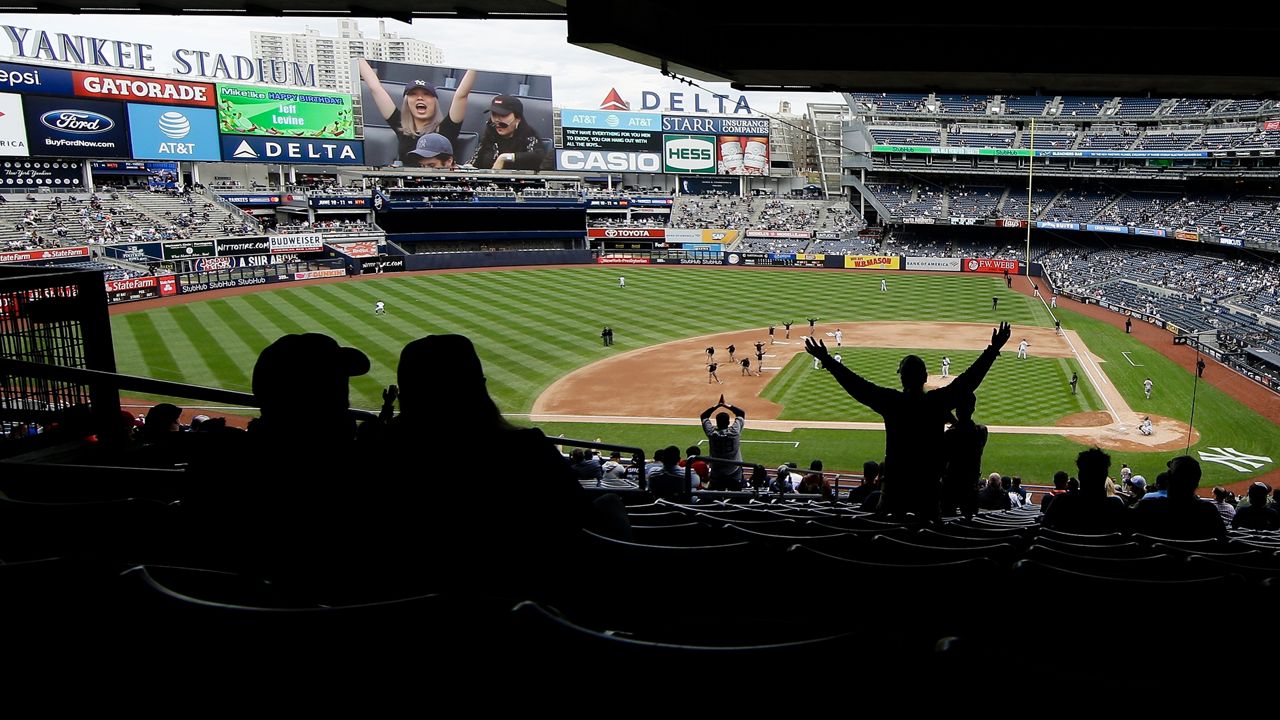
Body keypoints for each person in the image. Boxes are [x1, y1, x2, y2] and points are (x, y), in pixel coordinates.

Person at [805, 322, 1011, 519]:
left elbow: (857, 386)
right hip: (928, 488)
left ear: (902, 379)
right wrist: (993, 349)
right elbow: (968, 381)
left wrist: (827, 360)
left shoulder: (892, 402)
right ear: (925, 377)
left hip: (895, 488)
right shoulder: (936, 402)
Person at [358, 58, 476, 165]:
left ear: (435, 102)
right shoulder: (401, 125)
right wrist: (355, 53)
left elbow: (461, 95)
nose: (420, 98)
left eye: (426, 94)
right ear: (407, 102)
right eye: (413, 94)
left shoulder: (446, 129)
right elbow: (375, 88)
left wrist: (476, 60)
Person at [472, 95, 549, 170]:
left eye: (503, 115)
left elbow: (538, 156)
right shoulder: (490, 133)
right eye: (494, 114)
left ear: (517, 118)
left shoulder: (529, 135)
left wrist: (504, 158)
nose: (497, 120)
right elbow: (474, 160)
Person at [941, 393, 986, 518]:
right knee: (970, 519)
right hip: (970, 485)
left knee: (947, 517)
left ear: (957, 410)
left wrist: (952, 420)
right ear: (973, 409)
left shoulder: (950, 435)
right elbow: (967, 430)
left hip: (951, 484)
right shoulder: (982, 431)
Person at [700, 396, 746, 489]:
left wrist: (717, 406)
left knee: (716, 494)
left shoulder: (712, 434)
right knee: (736, 494)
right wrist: (726, 405)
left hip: (717, 472)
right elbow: (741, 413)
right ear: (729, 422)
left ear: (716, 422)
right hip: (734, 470)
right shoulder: (734, 432)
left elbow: (704, 416)